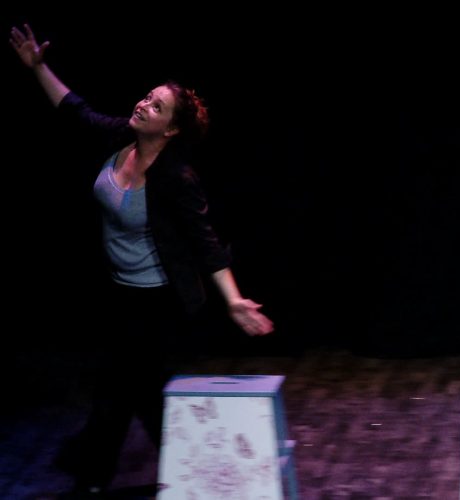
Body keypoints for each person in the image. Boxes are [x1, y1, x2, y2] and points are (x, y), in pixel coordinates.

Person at [9, 24, 274, 497]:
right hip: (118, 289)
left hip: (157, 300)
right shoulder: (120, 138)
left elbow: (205, 243)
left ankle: (96, 478)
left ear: (170, 129)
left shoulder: (175, 177)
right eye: (147, 97)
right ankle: (197, 472)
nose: (143, 105)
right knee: (143, 392)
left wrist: (234, 301)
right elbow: (75, 111)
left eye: (156, 106)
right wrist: (38, 67)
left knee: (117, 387)